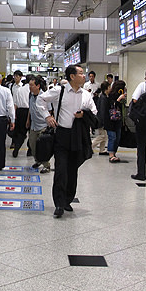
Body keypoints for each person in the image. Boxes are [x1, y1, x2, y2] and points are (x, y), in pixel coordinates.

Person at [37, 65, 98, 218]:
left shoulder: (86, 95)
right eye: (81, 73)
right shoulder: (60, 91)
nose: (84, 76)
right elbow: (41, 99)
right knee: (61, 170)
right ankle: (58, 203)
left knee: (72, 170)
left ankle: (67, 200)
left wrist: (83, 114)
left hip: (78, 136)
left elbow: (95, 113)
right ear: (72, 76)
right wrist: (47, 116)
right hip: (62, 135)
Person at [26, 75, 51, 173]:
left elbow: (50, 111)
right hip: (33, 125)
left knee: (42, 147)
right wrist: (28, 120)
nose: (30, 87)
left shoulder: (45, 96)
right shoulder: (30, 95)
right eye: (29, 85)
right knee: (32, 145)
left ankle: (46, 165)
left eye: (32, 85)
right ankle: (38, 161)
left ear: (38, 86)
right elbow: (30, 108)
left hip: (43, 126)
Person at [105, 80, 128, 163]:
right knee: (112, 137)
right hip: (111, 121)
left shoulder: (122, 96)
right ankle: (111, 155)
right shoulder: (111, 96)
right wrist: (118, 99)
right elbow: (112, 106)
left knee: (117, 138)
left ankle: (114, 153)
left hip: (118, 120)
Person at [10, 70, 30, 158]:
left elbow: (15, 103)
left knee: (21, 132)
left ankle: (17, 147)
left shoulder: (19, 90)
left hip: (20, 111)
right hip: (29, 111)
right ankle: (30, 150)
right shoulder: (31, 89)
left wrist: (13, 115)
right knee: (32, 132)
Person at [92, 81, 110, 156]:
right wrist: (103, 122)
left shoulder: (104, 97)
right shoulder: (103, 98)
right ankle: (90, 146)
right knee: (102, 136)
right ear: (106, 88)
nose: (110, 88)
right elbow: (102, 111)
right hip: (101, 120)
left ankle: (102, 150)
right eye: (109, 87)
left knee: (105, 136)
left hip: (101, 120)